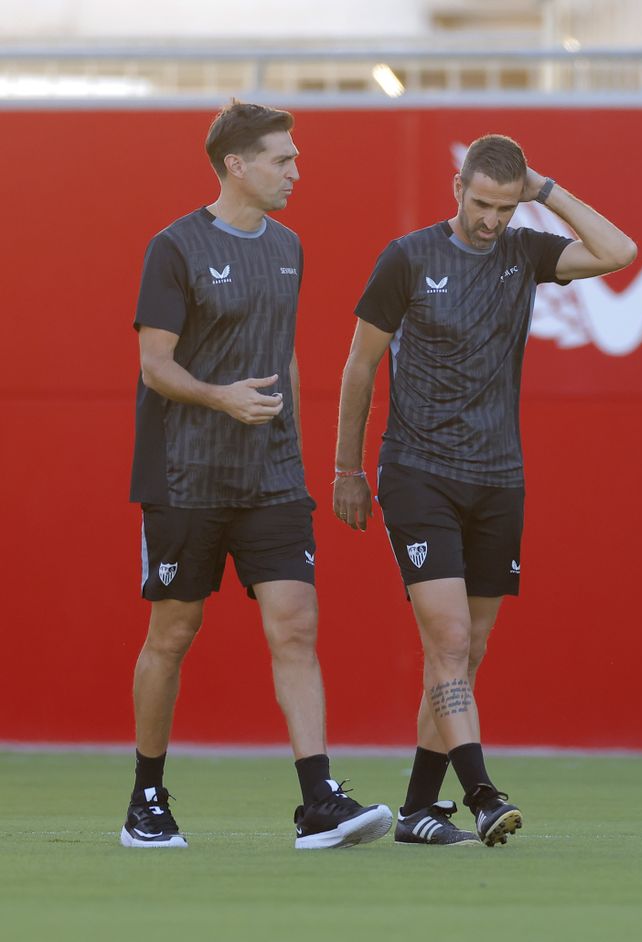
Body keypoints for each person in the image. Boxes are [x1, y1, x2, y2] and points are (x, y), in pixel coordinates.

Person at [333, 133, 635, 846]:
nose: (492, 220)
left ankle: (416, 810)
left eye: (505, 206)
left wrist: (546, 190)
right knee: (449, 640)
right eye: (481, 204)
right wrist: (348, 470)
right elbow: (359, 366)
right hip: (419, 473)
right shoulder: (408, 258)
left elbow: (618, 251)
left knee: (466, 656)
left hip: (499, 479)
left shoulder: (524, 253)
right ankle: (482, 794)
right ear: (458, 189)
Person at [126, 101, 392, 849]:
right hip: (185, 476)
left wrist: (299, 458)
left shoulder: (288, 246)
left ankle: (319, 802)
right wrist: (222, 397)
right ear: (236, 165)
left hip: (272, 480)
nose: (296, 171)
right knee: (174, 632)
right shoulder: (174, 247)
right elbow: (154, 365)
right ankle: (146, 797)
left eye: (295, 158)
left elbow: (285, 352)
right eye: (283, 159)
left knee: (296, 627)